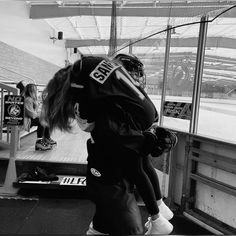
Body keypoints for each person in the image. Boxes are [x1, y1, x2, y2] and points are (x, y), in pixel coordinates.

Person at [40, 55, 177, 235]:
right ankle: (157, 211)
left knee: (107, 222)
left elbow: (90, 121)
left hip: (106, 175)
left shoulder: (99, 96)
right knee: (126, 221)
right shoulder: (108, 90)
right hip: (113, 172)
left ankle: (157, 215)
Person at [113, 53, 176, 232]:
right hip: (142, 131)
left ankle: (156, 217)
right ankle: (159, 206)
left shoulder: (123, 85)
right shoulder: (135, 86)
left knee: (137, 170)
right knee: (145, 166)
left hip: (134, 133)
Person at [23, 83, 56, 151]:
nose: (37, 91)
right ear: (32, 91)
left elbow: (36, 112)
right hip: (27, 120)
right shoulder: (28, 100)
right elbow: (31, 114)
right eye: (36, 90)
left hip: (31, 119)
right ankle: (39, 142)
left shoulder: (32, 100)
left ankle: (46, 138)